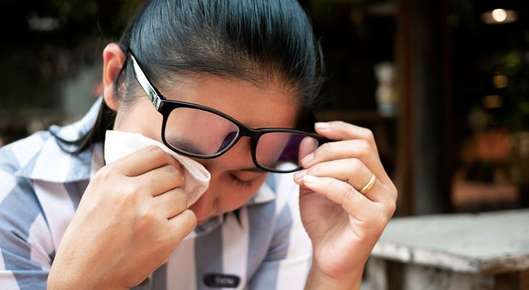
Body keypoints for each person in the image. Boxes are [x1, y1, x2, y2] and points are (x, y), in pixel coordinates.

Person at [0, 1, 397, 289]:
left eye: (242, 178)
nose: (200, 208)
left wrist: (334, 273)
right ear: (115, 78)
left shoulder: (282, 205)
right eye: (182, 158)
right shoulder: (16, 198)